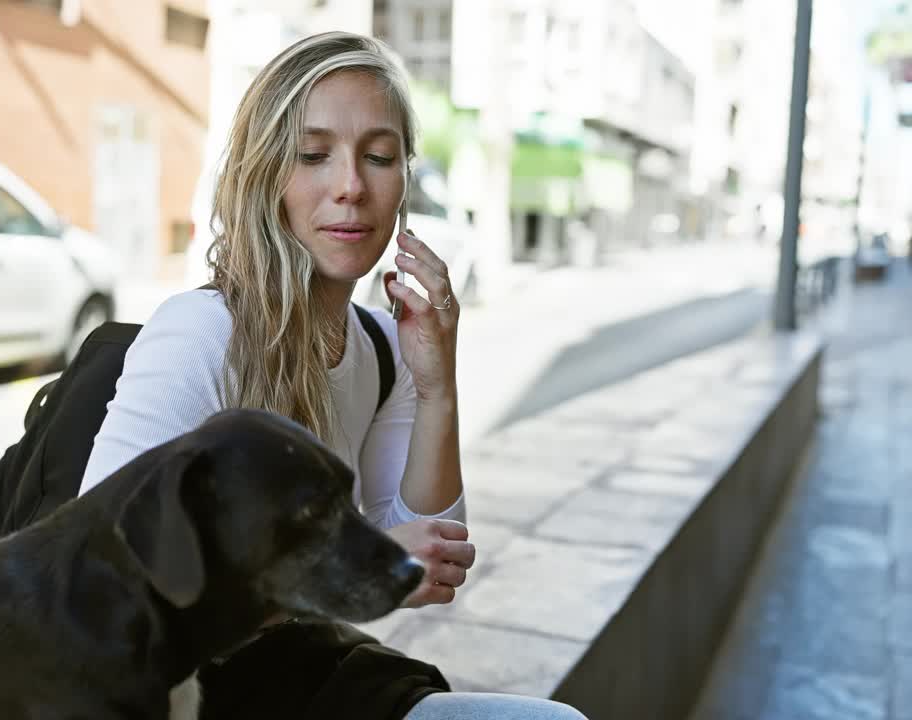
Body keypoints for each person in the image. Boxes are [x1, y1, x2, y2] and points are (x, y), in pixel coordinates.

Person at [77, 32, 587, 720]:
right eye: (313, 155)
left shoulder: (381, 345)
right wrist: (335, 572)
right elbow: (102, 583)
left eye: (378, 157)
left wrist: (437, 383)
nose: (351, 186)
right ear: (266, 176)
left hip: (296, 675)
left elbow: (429, 562)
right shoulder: (202, 334)